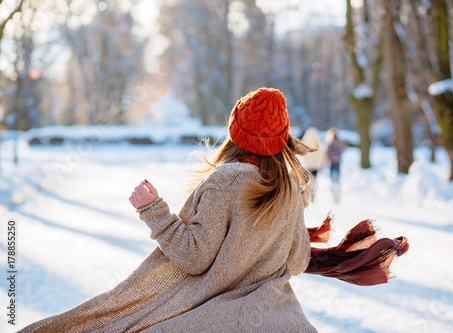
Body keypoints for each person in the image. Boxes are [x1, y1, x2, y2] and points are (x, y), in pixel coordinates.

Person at [19, 88, 318, 332]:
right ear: (281, 140)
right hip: (281, 320)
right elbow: (298, 261)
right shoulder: (291, 190)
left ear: (235, 133)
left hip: (217, 319)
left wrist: (153, 211)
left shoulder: (225, 182)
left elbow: (195, 256)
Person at [326, 127, 347, 203]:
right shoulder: (340, 142)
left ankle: (333, 196)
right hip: (338, 162)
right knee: (338, 180)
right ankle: (338, 196)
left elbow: (327, 153)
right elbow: (344, 148)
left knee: (332, 180)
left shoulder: (330, 142)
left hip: (332, 163)